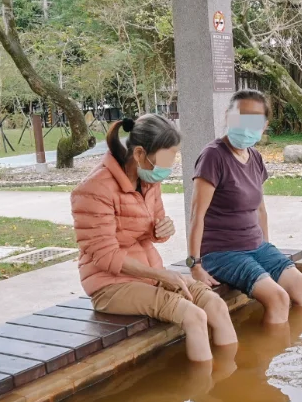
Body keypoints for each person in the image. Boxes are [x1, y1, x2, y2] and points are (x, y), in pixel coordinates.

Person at [71, 115, 237, 362]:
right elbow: (105, 255)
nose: (168, 167)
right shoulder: (93, 190)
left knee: (215, 305)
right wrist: (161, 276)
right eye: (165, 159)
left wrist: (162, 230)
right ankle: (207, 392)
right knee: (194, 316)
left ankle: (234, 380)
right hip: (110, 285)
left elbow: (151, 225)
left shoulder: (148, 181)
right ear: (139, 154)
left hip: (149, 274)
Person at [186, 90, 302, 324]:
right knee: (278, 299)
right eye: (240, 116)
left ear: (264, 125)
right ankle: (268, 357)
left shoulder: (254, 156)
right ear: (228, 117)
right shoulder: (213, 156)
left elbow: (260, 209)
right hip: (222, 252)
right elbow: (197, 214)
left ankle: (295, 346)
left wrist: (266, 248)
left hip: (256, 247)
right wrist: (194, 265)